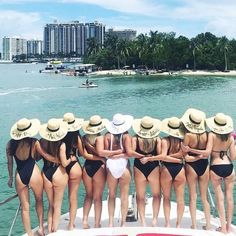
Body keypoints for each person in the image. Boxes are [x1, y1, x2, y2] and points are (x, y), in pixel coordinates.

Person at [183, 113, 235, 233]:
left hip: (215, 166)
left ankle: (222, 228)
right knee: (230, 198)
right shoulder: (231, 137)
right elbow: (233, 156)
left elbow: (207, 152)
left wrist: (190, 150)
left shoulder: (211, 135)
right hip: (229, 167)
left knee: (219, 199)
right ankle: (228, 226)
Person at [6, 118, 53, 236]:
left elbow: (10, 163)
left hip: (19, 175)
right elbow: (44, 155)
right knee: (39, 201)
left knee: (25, 208)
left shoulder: (10, 144)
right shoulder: (34, 142)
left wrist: (10, 177)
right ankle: (41, 228)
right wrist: (56, 160)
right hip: (34, 173)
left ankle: (29, 233)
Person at [125, 116, 162, 226]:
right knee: (156, 195)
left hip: (139, 167)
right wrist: (149, 157)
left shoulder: (135, 138)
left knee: (140, 196)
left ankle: (143, 221)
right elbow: (159, 155)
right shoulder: (157, 139)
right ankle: (154, 219)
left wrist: (141, 156)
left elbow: (130, 152)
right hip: (154, 166)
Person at [39, 118, 73, 233]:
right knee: (57, 205)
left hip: (46, 172)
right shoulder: (61, 144)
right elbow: (64, 163)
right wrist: (70, 159)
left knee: (51, 205)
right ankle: (54, 230)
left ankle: (49, 229)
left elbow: (37, 157)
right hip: (58, 172)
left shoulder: (42, 142)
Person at [181, 108, 211, 230]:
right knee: (204, 198)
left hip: (192, 165)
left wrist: (192, 154)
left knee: (193, 196)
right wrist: (200, 156)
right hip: (204, 164)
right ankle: (208, 225)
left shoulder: (188, 135)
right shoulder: (207, 134)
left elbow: (185, 156)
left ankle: (194, 225)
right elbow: (207, 153)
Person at [82, 115, 113, 228]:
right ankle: (97, 223)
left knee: (88, 195)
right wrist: (100, 158)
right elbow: (102, 153)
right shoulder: (101, 138)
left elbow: (84, 155)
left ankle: (85, 221)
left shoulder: (84, 138)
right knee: (98, 197)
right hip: (99, 168)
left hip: (87, 167)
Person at [103, 113, 133, 227]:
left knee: (111, 195)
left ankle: (110, 222)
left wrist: (113, 156)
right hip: (124, 166)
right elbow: (129, 153)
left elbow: (107, 153)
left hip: (111, 166)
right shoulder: (126, 136)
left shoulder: (107, 136)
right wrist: (121, 153)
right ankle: (123, 223)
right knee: (124, 196)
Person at [160, 117, 186, 228]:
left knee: (166, 198)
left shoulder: (165, 140)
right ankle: (179, 224)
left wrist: (166, 157)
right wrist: (177, 157)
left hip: (166, 169)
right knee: (180, 199)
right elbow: (182, 155)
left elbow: (163, 157)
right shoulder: (182, 141)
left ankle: (167, 223)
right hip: (180, 169)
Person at [62, 112, 84, 230]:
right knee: (73, 196)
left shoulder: (60, 135)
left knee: (58, 197)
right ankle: (71, 224)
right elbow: (81, 153)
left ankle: (53, 225)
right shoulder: (76, 137)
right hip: (74, 164)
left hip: (61, 166)